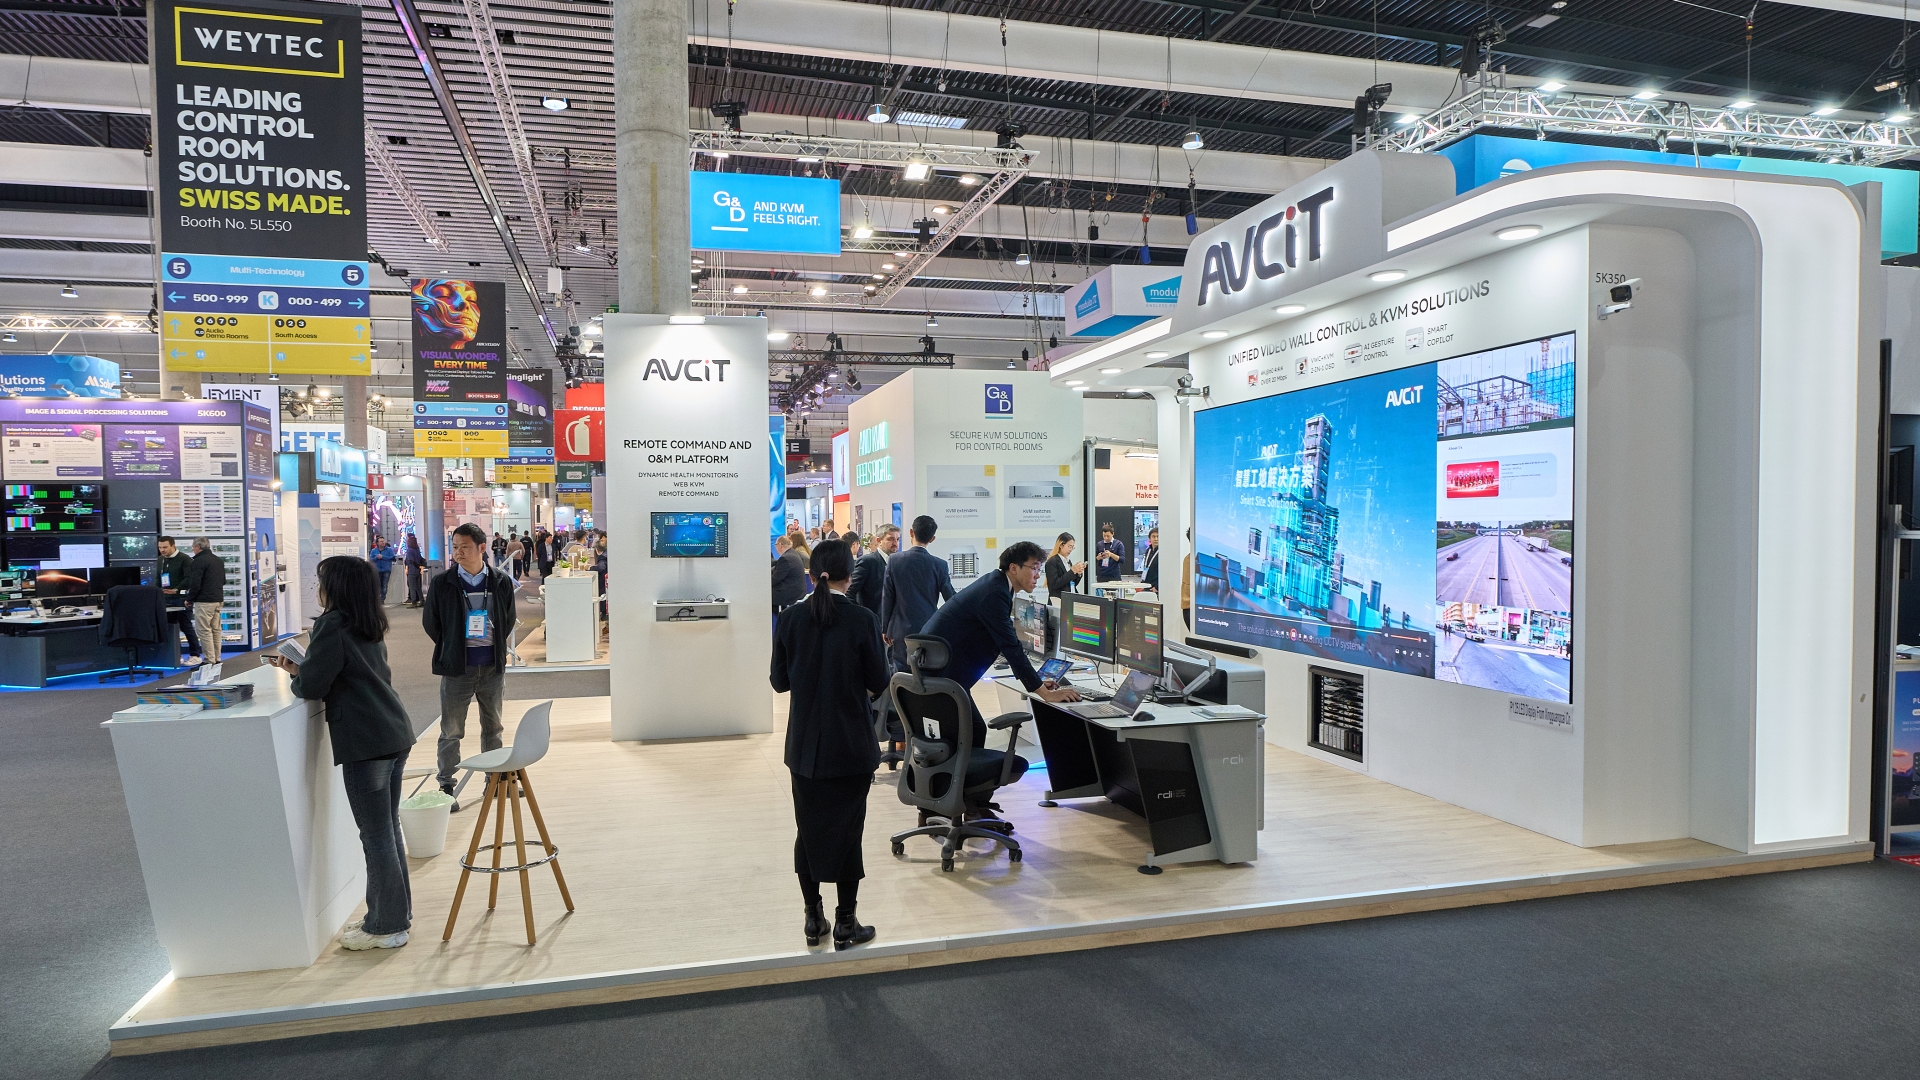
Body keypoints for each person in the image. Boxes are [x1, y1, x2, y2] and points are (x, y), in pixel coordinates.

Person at [269, 556, 414, 951]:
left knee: (377, 835)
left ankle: (386, 925)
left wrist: (297, 674)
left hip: (366, 741)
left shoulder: (332, 624)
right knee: (386, 830)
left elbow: (313, 686)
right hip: (393, 731)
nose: (317, 588)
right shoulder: (370, 621)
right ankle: (390, 917)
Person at [769, 539, 888, 950]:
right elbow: (879, 680)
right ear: (848, 576)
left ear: (810, 573)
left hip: (804, 749)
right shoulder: (863, 619)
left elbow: (779, 682)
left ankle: (812, 917)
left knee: (808, 831)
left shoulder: (790, 619)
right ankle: (846, 923)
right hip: (851, 747)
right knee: (848, 834)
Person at [919, 542, 1082, 820]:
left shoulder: (996, 586)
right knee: (968, 734)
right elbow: (1010, 646)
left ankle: (964, 806)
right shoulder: (994, 593)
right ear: (1014, 568)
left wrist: (1037, 681)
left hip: (939, 675)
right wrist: (1043, 692)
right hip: (943, 679)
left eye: (1040, 569)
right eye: (1034, 568)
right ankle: (965, 807)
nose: (1037, 575)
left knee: (971, 732)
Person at [423, 523, 518, 803]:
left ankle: (494, 780)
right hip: (457, 669)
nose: (458, 553)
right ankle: (446, 786)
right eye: (455, 547)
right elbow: (431, 623)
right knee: (451, 730)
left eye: (464, 547)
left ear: (481, 548)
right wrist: (452, 645)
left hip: (491, 667)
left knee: (493, 728)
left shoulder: (500, 581)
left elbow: (508, 619)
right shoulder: (443, 582)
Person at [156, 535, 202, 665]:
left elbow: (189, 578)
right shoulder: (160, 560)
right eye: (160, 547)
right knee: (170, 627)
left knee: (185, 625)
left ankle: (195, 654)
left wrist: (176, 589)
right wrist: (157, 591)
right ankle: (176, 654)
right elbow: (158, 578)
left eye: (165, 547)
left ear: (173, 546)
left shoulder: (185, 559)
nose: (162, 550)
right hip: (165, 598)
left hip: (181, 598)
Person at [183, 536, 226, 665]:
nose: (192, 549)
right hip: (218, 599)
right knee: (216, 630)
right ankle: (217, 658)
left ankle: (209, 660)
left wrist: (189, 599)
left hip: (204, 601)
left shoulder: (198, 561)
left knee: (204, 630)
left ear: (198, 547)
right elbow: (223, 581)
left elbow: (195, 584)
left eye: (193, 547)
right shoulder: (218, 560)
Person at [849, 524, 896, 615]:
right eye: (890, 539)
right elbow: (850, 592)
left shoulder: (897, 562)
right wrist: (862, 615)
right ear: (879, 540)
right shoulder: (867, 561)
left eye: (897, 539)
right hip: (872, 618)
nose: (895, 543)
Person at [772, 535, 806, 613]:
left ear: (780, 545)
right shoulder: (792, 554)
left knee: (763, 593)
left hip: (790, 593)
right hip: (796, 590)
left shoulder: (785, 558)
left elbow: (775, 579)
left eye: (775, 545)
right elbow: (776, 569)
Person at [368, 534, 397, 604]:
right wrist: (376, 558)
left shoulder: (389, 550)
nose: (383, 542)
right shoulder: (373, 551)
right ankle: (377, 599)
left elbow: (393, 558)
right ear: (377, 543)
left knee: (384, 585)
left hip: (386, 570)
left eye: (383, 541)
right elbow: (371, 560)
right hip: (376, 570)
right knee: (377, 585)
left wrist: (383, 557)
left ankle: (382, 599)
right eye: (381, 541)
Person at [403, 533, 427, 607]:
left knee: (412, 587)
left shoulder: (409, 550)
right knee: (418, 587)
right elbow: (420, 558)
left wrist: (417, 566)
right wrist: (420, 566)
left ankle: (414, 602)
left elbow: (411, 560)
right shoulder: (417, 549)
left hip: (412, 571)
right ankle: (422, 600)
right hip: (418, 571)